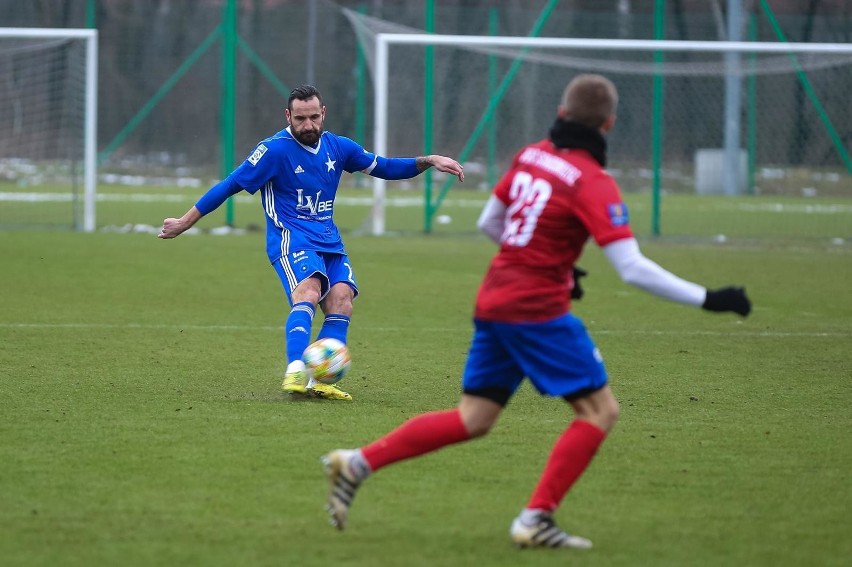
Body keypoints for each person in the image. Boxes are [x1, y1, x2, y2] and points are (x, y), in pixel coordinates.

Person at [321, 74, 751, 548]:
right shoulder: (593, 180)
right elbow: (631, 268)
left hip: (495, 300)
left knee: (474, 418)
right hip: (536, 310)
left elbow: (491, 222)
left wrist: (555, 267)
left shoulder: (532, 155)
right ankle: (535, 518)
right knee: (599, 411)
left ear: (562, 114)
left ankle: (357, 462)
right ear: (608, 123)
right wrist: (710, 298)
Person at [159, 85, 465, 401]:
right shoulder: (273, 150)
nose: (308, 125)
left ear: (323, 114)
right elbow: (228, 185)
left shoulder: (338, 147)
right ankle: (295, 367)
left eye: (314, 117)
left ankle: (318, 379)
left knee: (342, 300)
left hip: (329, 240)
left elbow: (384, 167)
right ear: (288, 116)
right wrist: (185, 222)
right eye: (301, 118)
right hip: (291, 238)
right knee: (309, 290)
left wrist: (429, 160)